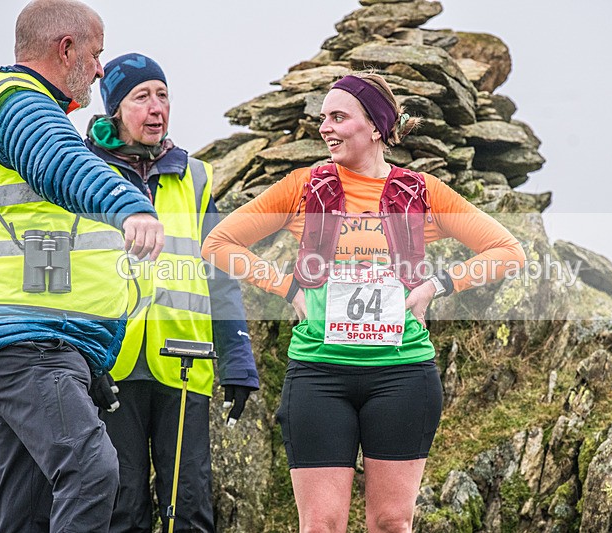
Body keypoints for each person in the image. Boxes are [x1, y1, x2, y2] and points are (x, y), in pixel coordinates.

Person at [202, 72, 526, 532]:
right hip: (319, 373)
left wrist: (438, 285)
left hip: (403, 373)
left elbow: (508, 252)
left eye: (338, 116)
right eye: (322, 119)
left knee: (392, 522)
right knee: (322, 525)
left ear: (375, 125)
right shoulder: (303, 185)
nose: (325, 128)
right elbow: (218, 243)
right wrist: (286, 288)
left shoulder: (421, 191)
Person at [0, 1, 168, 532]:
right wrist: (129, 205)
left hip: (48, 340)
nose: (100, 68)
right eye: (96, 53)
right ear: (65, 48)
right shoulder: (16, 104)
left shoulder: (42, 112)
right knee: (93, 471)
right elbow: (58, 163)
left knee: (28, 511)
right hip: (27, 341)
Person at [84, 52, 259, 532]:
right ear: (115, 108)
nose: (157, 106)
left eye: (163, 95)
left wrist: (238, 359)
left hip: (184, 363)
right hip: (108, 365)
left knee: (189, 504)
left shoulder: (196, 178)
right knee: (121, 506)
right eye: (142, 96)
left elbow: (221, 275)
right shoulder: (81, 173)